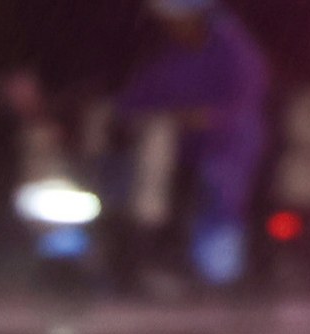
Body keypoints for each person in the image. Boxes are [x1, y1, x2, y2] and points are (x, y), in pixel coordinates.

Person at [113, 0, 270, 289]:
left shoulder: (234, 50)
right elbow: (138, 98)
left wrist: (209, 117)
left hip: (228, 148)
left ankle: (220, 275)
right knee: (136, 180)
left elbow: (247, 96)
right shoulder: (175, 58)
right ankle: (142, 257)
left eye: (177, 19)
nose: (171, 26)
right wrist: (115, 110)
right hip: (178, 151)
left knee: (220, 195)